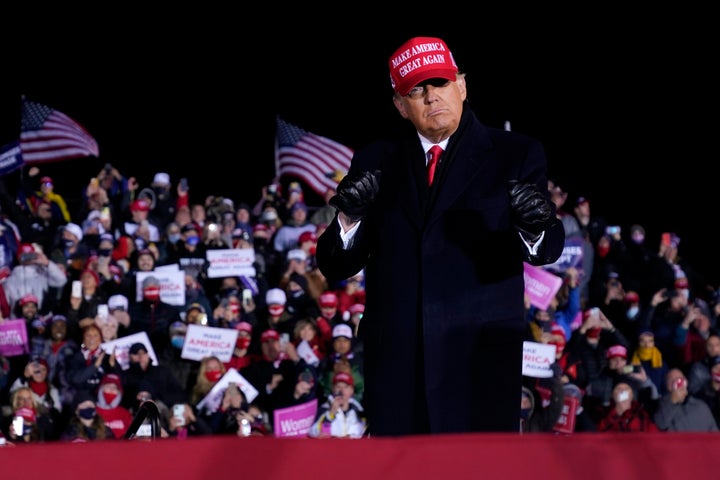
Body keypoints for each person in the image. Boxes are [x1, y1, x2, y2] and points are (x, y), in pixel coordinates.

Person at [315, 36, 565, 436]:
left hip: (478, 363)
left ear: (462, 86)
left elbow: (547, 249)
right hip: (399, 366)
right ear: (400, 105)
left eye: (441, 84)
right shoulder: (375, 159)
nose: (432, 97)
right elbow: (335, 263)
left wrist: (534, 224)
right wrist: (348, 218)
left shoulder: (516, 153)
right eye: (417, 89)